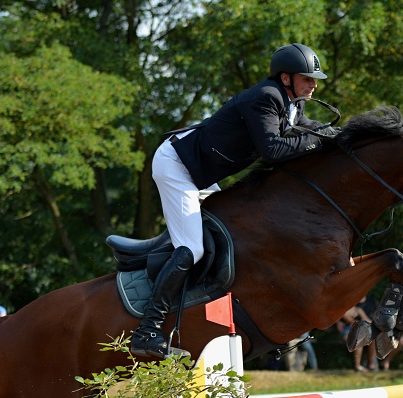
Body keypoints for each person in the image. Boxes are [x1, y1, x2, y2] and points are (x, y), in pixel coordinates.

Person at [131, 43, 339, 360]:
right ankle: (147, 330)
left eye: (314, 79)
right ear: (286, 78)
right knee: (194, 248)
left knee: (234, 239)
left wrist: (344, 135)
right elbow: (274, 151)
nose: (313, 85)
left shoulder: (292, 102)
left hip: (198, 172)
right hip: (177, 167)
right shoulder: (266, 97)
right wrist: (322, 139)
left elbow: (309, 131)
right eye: (307, 78)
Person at [335, 300, 378, 372]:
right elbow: (351, 321)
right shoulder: (343, 311)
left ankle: (371, 364)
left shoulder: (358, 310)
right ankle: (357, 366)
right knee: (358, 340)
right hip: (348, 331)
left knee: (374, 338)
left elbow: (368, 320)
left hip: (359, 330)